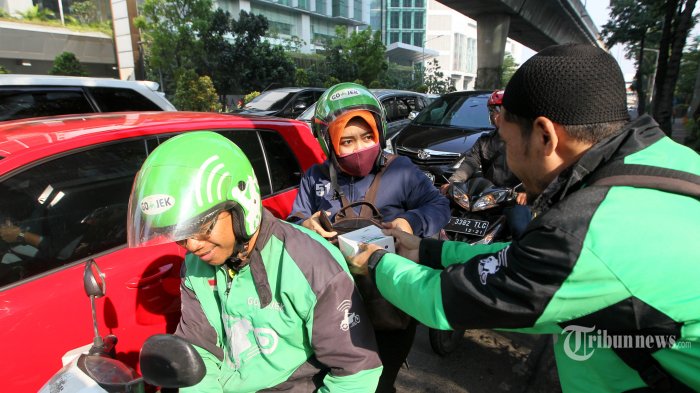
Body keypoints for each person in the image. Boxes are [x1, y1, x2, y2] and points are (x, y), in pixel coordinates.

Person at [348, 44, 700, 392]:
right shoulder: (667, 158)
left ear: (545, 136)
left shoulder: (582, 233)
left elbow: (443, 298)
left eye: (508, 141)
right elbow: (519, 260)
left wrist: (377, 262)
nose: (509, 159)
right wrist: (428, 251)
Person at [127, 131, 382, 393]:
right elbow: (200, 349)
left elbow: (356, 371)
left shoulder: (311, 265)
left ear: (241, 206)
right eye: (181, 236)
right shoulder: (196, 266)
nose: (192, 245)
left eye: (203, 228)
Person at [287, 82, 450, 393]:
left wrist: (409, 221)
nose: (358, 148)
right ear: (329, 143)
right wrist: (303, 225)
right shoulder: (315, 178)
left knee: (380, 381)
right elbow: (294, 222)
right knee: (339, 376)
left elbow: (439, 205)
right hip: (334, 303)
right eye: (346, 141)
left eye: (367, 137)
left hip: (390, 301)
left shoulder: (401, 171)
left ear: (380, 134)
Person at [441, 90, 530, 239]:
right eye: (492, 111)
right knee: (448, 211)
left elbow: (538, 172)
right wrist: (453, 183)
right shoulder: (485, 141)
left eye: (496, 110)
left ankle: (523, 257)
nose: (493, 115)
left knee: (520, 228)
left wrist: (527, 192)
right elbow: (469, 163)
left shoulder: (527, 142)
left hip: (513, 199)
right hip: (487, 197)